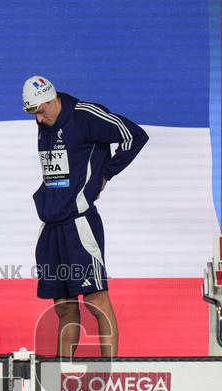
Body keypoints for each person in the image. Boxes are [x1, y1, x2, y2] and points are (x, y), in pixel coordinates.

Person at [24, 76, 149, 357]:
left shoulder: (85, 115)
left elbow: (135, 136)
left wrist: (108, 172)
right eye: (34, 114)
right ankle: (62, 372)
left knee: (96, 300)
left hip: (79, 225)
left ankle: (110, 377)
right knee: (65, 308)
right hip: (51, 227)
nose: (39, 120)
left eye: (41, 111)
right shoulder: (43, 122)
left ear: (52, 98)